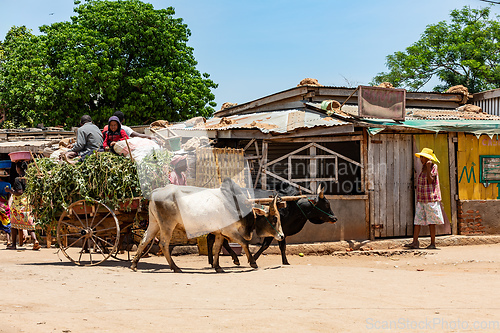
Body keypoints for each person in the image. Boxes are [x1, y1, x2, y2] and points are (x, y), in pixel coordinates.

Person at [404, 148, 444, 250]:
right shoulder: (423, 167)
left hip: (430, 199)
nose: (421, 159)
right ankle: (415, 242)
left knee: (431, 222)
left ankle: (433, 243)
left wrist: (428, 168)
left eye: (423, 157)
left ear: (428, 158)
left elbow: (431, 181)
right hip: (421, 199)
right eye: (421, 157)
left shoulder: (433, 167)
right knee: (417, 221)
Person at [6, 161, 41, 250]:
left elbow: (19, 192)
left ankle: (13, 244)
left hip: (19, 204)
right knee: (29, 222)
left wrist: (9, 191)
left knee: (13, 224)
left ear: (18, 168)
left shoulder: (18, 179)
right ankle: (35, 240)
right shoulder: (29, 178)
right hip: (27, 203)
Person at [0, 172, 11, 245]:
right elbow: (9, 197)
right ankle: (8, 240)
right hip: (5, 205)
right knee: (7, 222)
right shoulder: (8, 185)